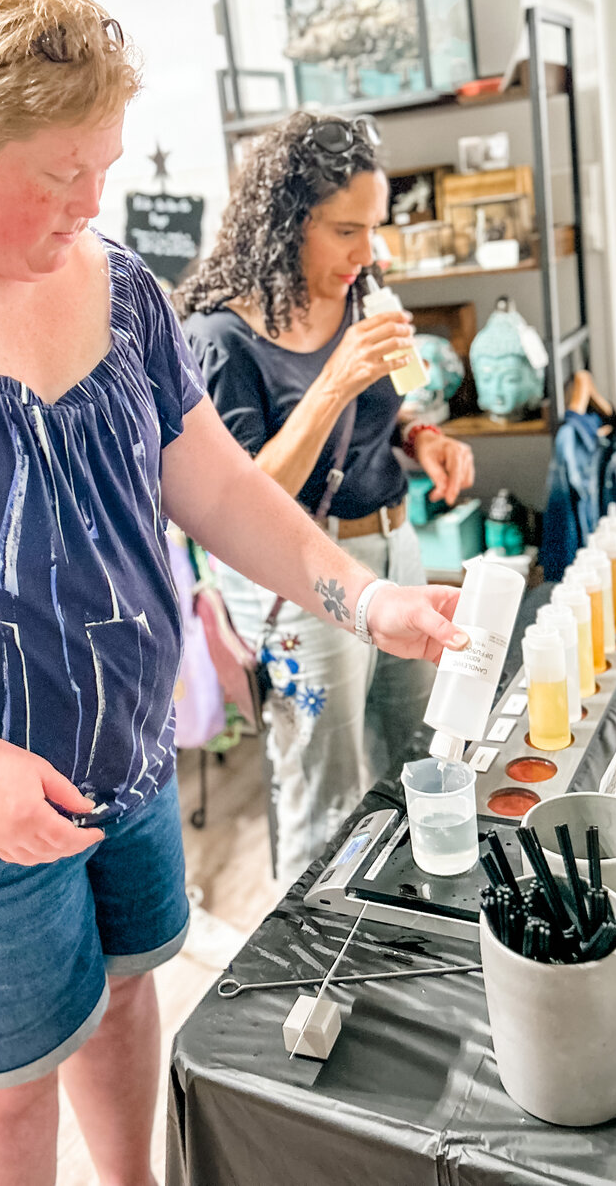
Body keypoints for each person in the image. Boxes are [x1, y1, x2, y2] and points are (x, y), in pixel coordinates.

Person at [0, 0, 470, 1186]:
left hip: (121, 745)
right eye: (59, 176)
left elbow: (214, 486)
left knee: (120, 997)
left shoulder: (112, 281)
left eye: (102, 164)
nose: (88, 202)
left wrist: (361, 597)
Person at [176, 113, 475, 883]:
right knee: (326, 786)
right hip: (300, 578)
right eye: (345, 230)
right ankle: (313, 967)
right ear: (283, 224)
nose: (366, 252)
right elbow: (240, 498)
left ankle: (400, 916)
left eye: (372, 229)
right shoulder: (222, 337)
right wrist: (337, 375)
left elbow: (388, 407)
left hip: (395, 547)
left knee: (415, 748)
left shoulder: (359, 292)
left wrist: (421, 439)